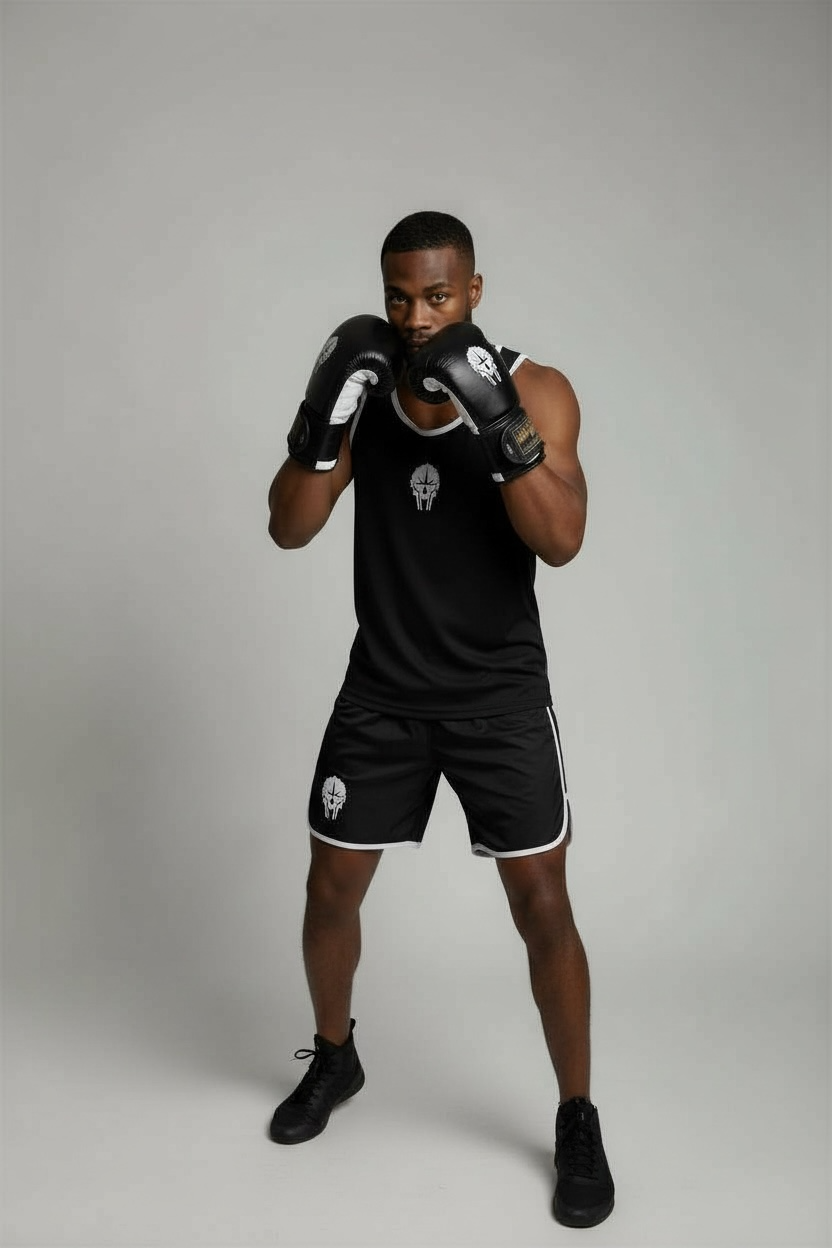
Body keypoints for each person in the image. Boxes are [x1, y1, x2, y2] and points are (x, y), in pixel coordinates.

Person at [266, 211, 615, 1229]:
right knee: (330, 886)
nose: (416, 317)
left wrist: (496, 418)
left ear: (472, 292)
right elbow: (288, 527)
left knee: (542, 906)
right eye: (399, 297)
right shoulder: (367, 385)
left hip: (497, 698)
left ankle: (577, 1116)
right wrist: (323, 418)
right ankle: (336, 1056)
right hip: (382, 691)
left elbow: (563, 539)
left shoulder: (537, 388)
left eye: (437, 296)